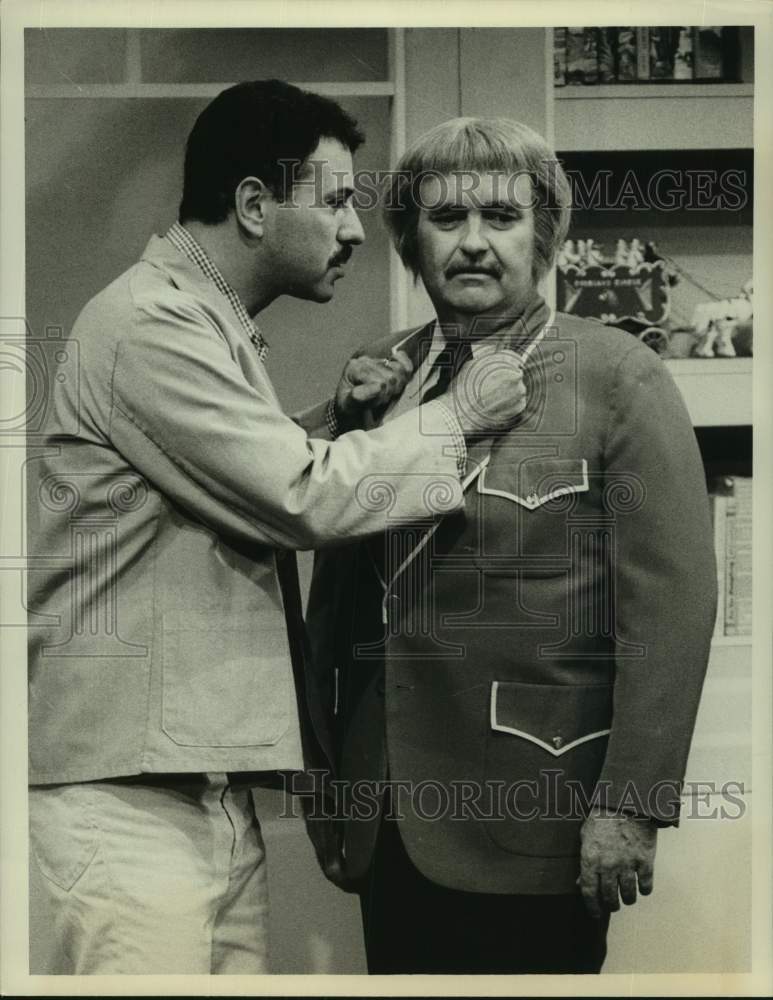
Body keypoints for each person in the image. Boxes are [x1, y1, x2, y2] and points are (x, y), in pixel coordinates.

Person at [26, 84, 528, 975]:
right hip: (129, 798)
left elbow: (215, 480)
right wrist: (455, 416)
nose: (354, 230)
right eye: (335, 200)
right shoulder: (152, 322)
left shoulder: (196, 316)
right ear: (256, 205)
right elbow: (296, 496)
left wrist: (333, 421)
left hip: (191, 786)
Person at [307, 116, 717, 974]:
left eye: (501, 218)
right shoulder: (382, 374)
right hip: (385, 814)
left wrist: (631, 804)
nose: (473, 244)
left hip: (540, 809)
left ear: (544, 239)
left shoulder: (615, 375)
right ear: (411, 243)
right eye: (446, 219)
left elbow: (670, 610)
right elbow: (339, 591)